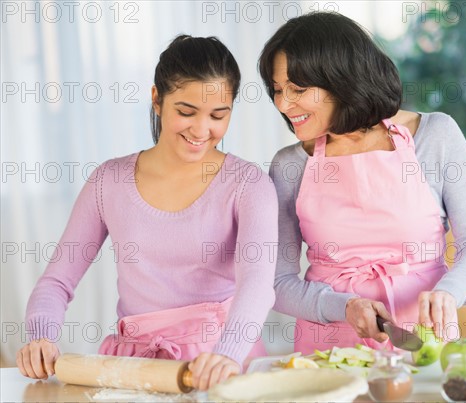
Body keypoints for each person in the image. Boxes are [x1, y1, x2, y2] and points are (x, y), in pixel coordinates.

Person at [16, 35, 277, 390]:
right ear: (157, 99)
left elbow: (257, 284)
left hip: (219, 364)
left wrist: (227, 354)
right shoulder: (109, 181)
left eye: (218, 115)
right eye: (186, 112)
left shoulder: (248, 184)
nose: (202, 130)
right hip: (134, 370)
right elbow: (57, 281)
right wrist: (41, 337)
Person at [259, 12, 466, 354]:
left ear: (342, 79)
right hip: (327, 350)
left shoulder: (435, 135)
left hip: (423, 343)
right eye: (278, 90)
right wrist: (344, 306)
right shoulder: (290, 165)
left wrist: (450, 292)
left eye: (298, 89)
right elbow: (277, 282)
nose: (282, 103)